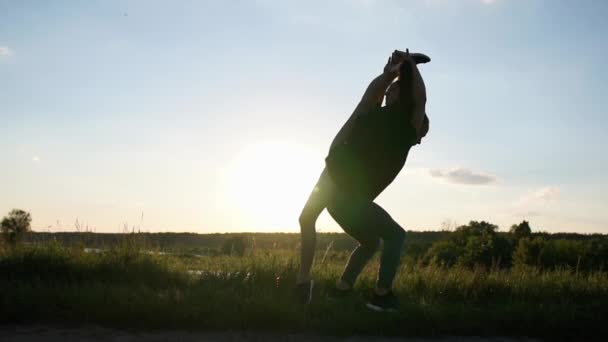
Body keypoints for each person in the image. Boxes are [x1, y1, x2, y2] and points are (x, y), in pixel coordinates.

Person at [296, 49, 430, 312]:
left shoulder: (405, 130)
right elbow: (373, 94)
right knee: (394, 236)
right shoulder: (374, 113)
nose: (389, 91)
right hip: (338, 185)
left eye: (394, 90)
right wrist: (393, 71)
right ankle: (380, 295)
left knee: (372, 242)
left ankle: (342, 291)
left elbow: (419, 100)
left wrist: (409, 66)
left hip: (346, 198)